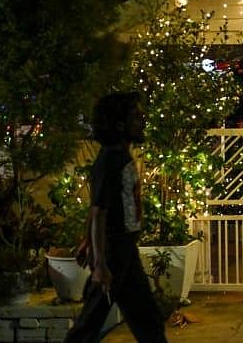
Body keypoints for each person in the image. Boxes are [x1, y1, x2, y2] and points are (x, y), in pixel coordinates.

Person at [65, 92, 167, 343]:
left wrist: (87, 241)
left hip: (124, 251)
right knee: (89, 325)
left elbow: (97, 208)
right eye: (136, 116)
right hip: (113, 253)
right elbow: (99, 211)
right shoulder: (110, 160)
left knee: (148, 320)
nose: (142, 120)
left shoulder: (120, 156)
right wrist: (99, 264)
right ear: (120, 125)